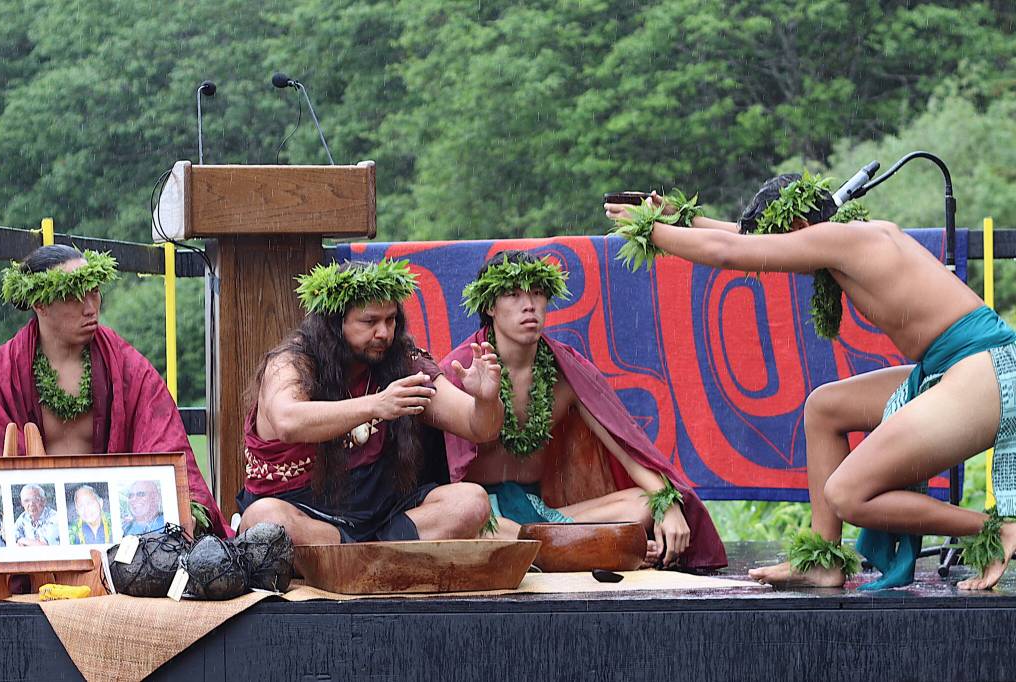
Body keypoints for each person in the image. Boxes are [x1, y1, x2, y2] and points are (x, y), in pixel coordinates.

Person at [605, 172, 1016, 590]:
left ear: (801, 229)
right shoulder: (843, 237)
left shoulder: (842, 239)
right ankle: (824, 558)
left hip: (983, 368)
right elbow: (742, 238)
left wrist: (650, 231)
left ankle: (994, 529)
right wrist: (677, 218)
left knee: (849, 493)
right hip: (953, 363)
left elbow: (730, 252)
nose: (783, 258)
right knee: (826, 407)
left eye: (784, 243)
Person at [440, 251, 726, 569]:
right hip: (483, 519)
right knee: (465, 526)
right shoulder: (459, 370)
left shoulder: (566, 373)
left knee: (642, 505)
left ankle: (563, 550)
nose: (529, 305)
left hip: (542, 516)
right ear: (491, 306)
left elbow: (627, 448)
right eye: (513, 294)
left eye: (537, 293)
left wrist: (666, 503)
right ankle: (586, 549)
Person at [237, 259, 503, 546]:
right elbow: (287, 422)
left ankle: (367, 555)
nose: (384, 333)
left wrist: (486, 401)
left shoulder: (401, 362)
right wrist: (376, 405)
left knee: (471, 501)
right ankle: (372, 554)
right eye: (369, 321)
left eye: (390, 320)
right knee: (264, 520)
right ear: (334, 322)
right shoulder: (291, 363)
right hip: (306, 514)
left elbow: (479, 428)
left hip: (386, 519)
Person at [0, 245, 227, 536]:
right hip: (36, 535)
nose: (90, 307)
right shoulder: (2, 374)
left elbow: (165, 442)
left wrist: (180, 503)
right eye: (74, 295)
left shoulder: (128, 367)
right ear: (40, 304)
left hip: (117, 530)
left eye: (94, 291)